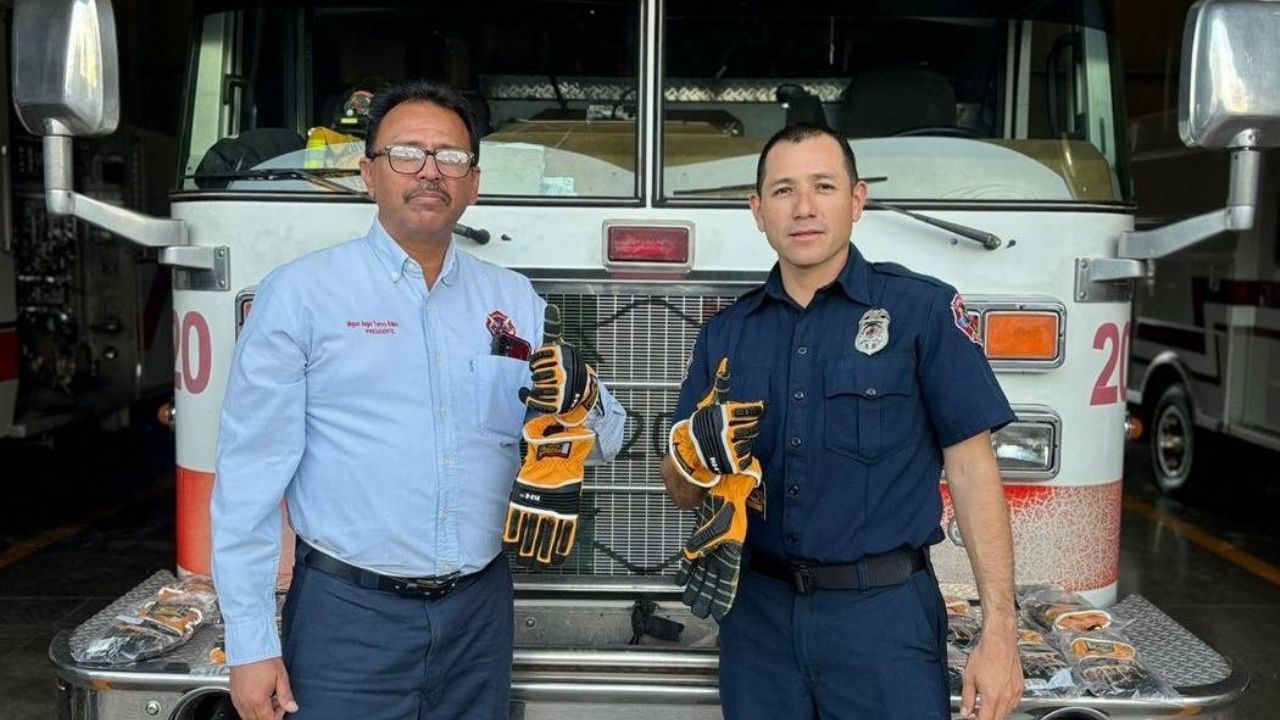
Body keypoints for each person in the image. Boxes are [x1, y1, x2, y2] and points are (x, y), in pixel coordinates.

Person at [212, 79, 626, 720]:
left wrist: (580, 400)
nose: (430, 171)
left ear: (474, 182)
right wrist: (250, 644)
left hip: (478, 618)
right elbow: (249, 480)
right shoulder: (300, 295)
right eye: (407, 153)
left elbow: (611, 437)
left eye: (451, 157)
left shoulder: (515, 300)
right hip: (347, 619)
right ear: (367, 174)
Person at [661, 122, 1023, 720]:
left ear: (857, 200)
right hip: (758, 621)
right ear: (757, 210)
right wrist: (693, 457)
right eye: (783, 191)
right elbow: (680, 491)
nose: (803, 207)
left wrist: (1000, 633)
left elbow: (972, 471)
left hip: (883, 622)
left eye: (823, 186)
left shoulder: (922, 311)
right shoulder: (726, 335)